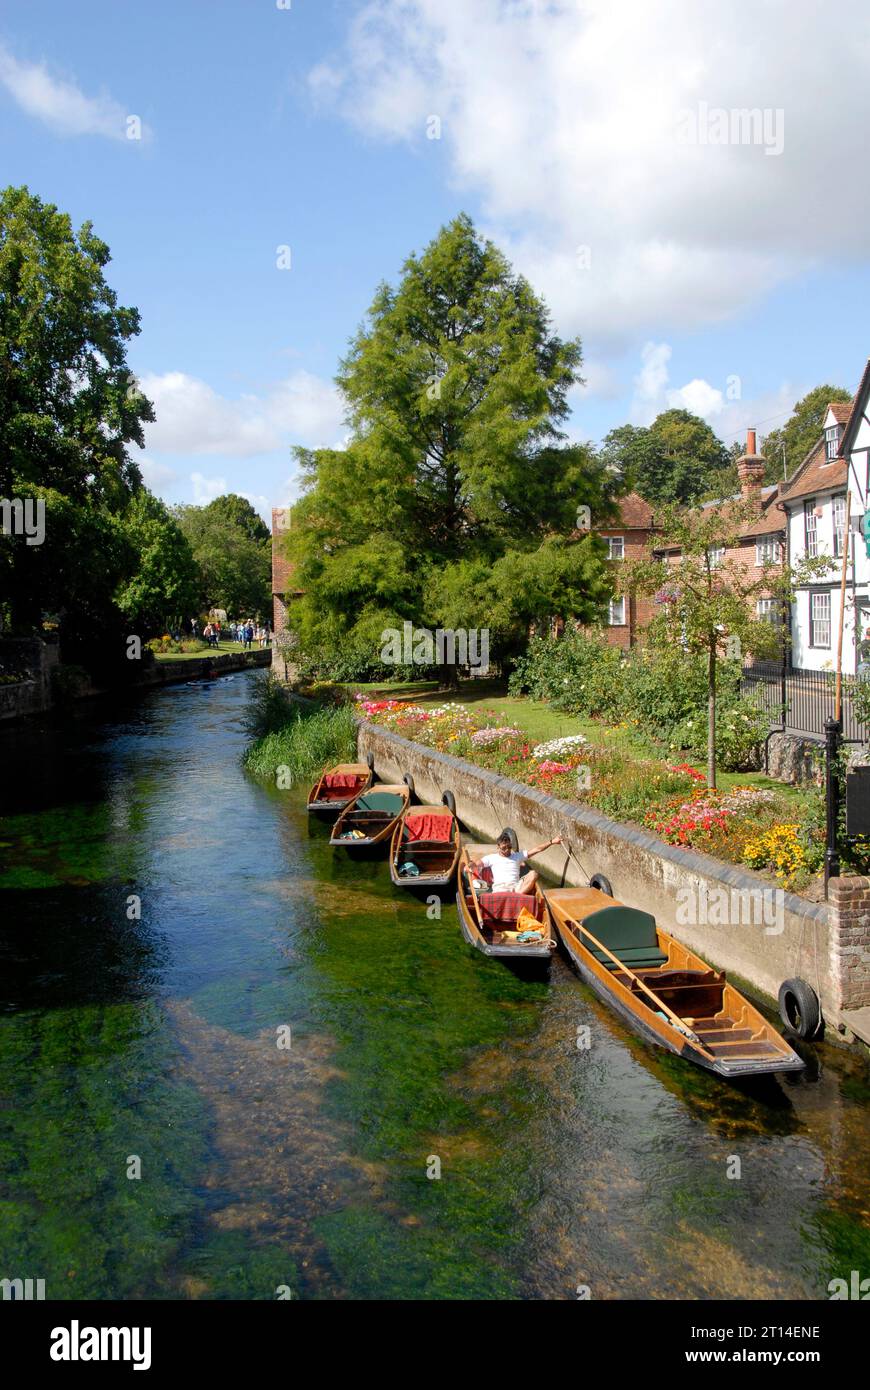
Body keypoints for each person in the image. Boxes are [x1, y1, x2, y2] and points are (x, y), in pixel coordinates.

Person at [472, 830, 562, 894]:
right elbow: (476, 864)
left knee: (534, 874)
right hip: (500, 888)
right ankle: (515, 896)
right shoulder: (491, 858)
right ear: (498, 847)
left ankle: (518, 895)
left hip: (516, 888)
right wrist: (469, 866)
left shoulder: (518, 856)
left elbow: (537, 849)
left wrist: (552, 841)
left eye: (509, 847)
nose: (507, 850)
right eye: (504, 848)